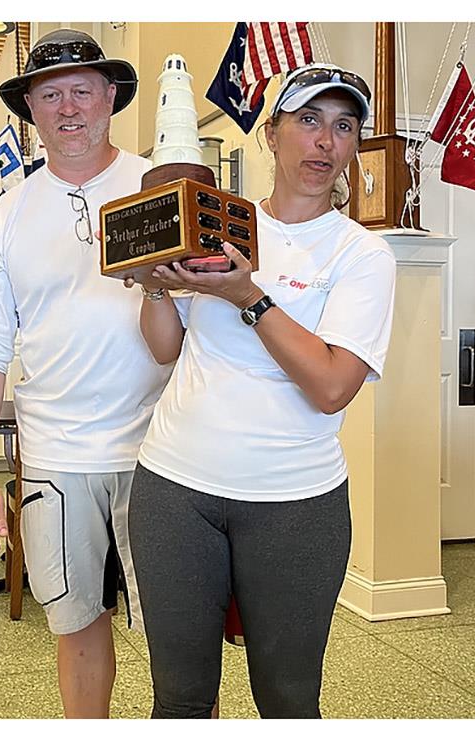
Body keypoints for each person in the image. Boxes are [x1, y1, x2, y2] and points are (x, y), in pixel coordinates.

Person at [126, 62, 397, 719]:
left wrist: (249, 295)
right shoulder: (219, 223)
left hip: (296, 504)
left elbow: (332, 385)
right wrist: (158, 283)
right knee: (181, 700)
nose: (325, 141)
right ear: (271, 134)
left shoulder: (362, 256)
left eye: (343, 126)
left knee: (289, 700)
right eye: (308, 120)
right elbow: (165, 346)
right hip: (174, 489)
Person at [0, 29, 173, 718]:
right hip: (55, 458)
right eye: (51, 94)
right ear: (31, 108)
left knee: (179, 638)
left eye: (83, 89)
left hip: (167, 454)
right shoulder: (6, 217)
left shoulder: (159, 186)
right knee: (78, 627)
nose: (68, 106)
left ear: (111, 96)